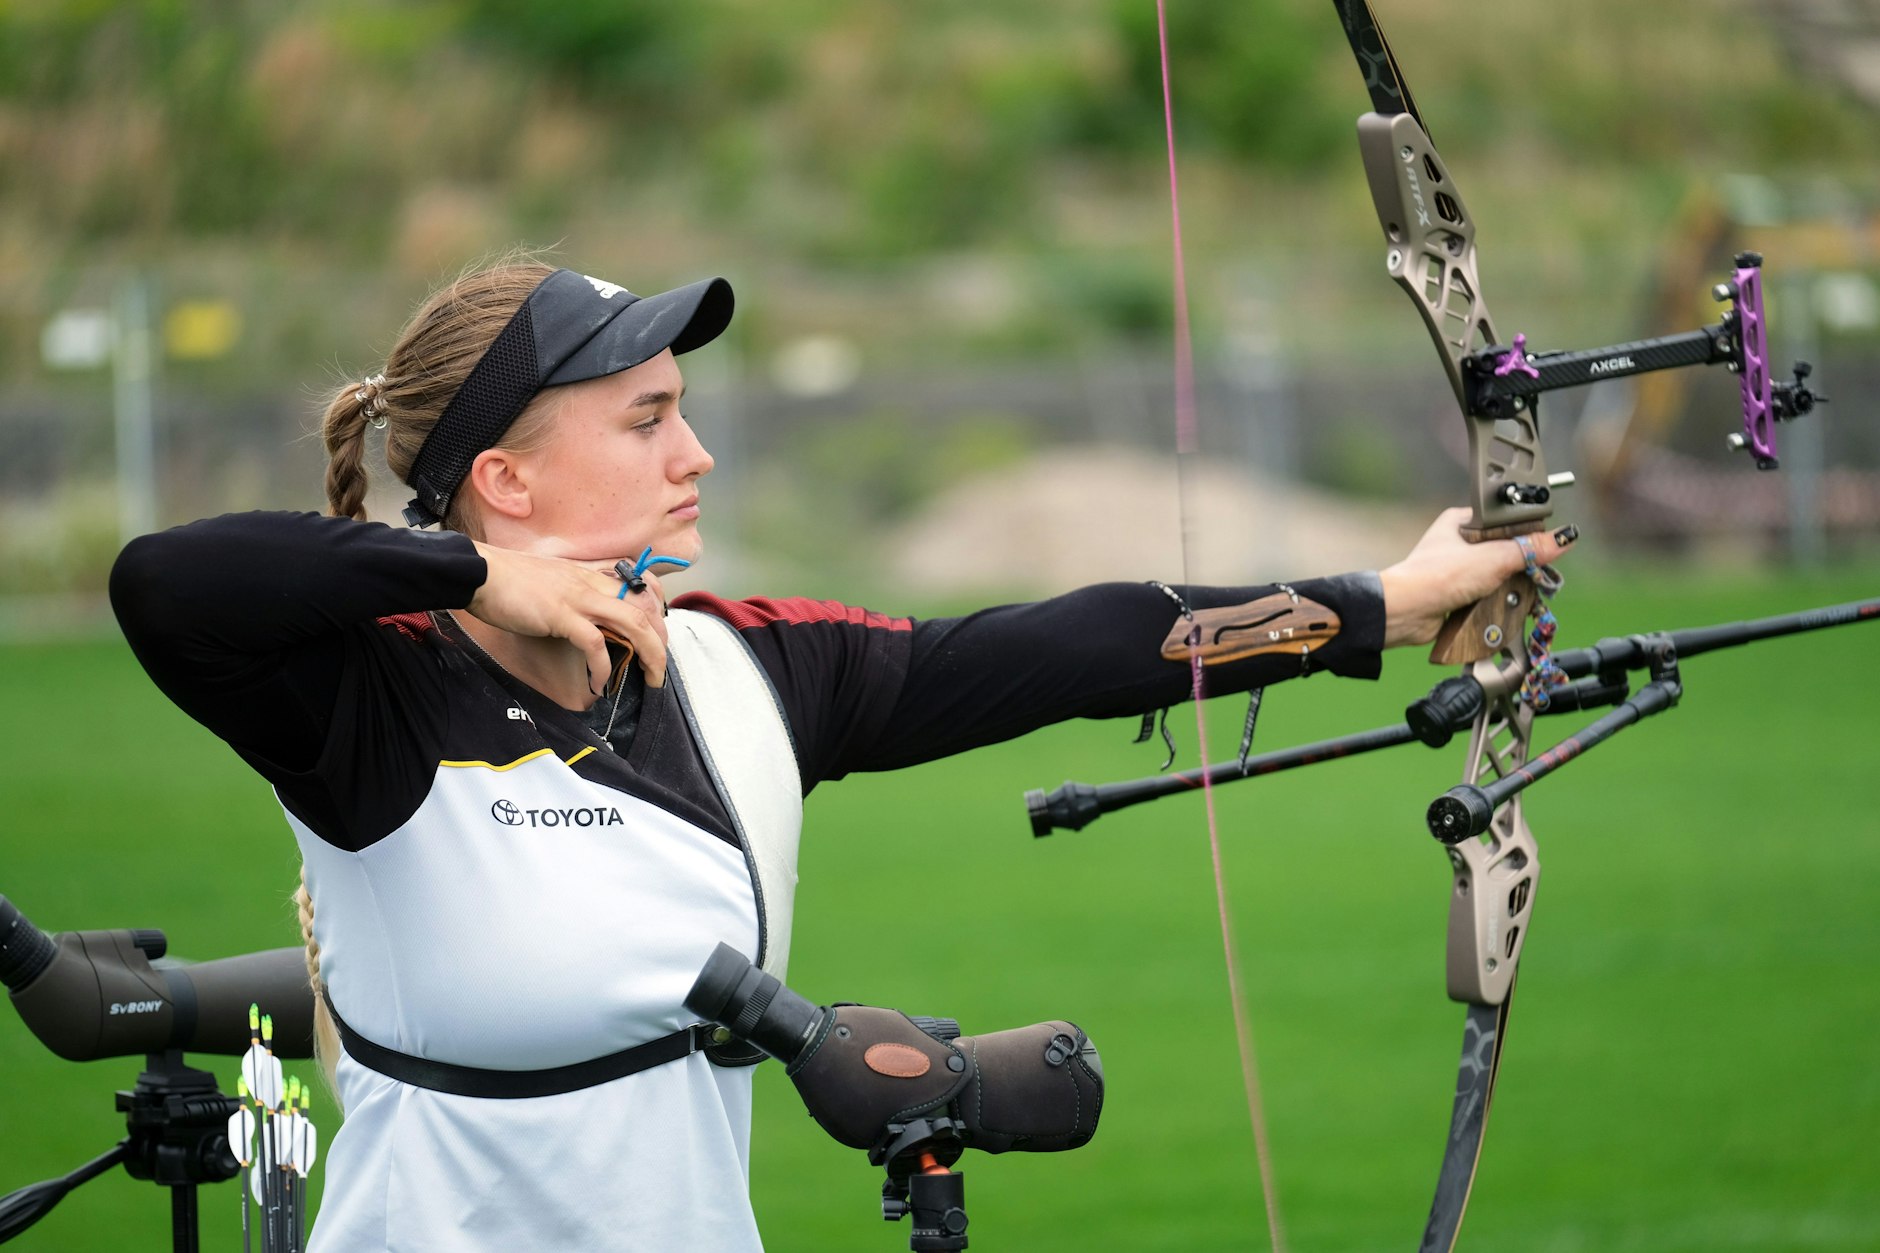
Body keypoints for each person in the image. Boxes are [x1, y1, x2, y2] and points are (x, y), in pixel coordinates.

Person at [108, 258, 1573, 1250]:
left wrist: (1383, 603)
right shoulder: (371, 701)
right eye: (649, 418)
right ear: (506, 478)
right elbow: (166, 584)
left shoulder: (750, 664)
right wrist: (475, 580)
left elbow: (1064, 646)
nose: (697, 457)